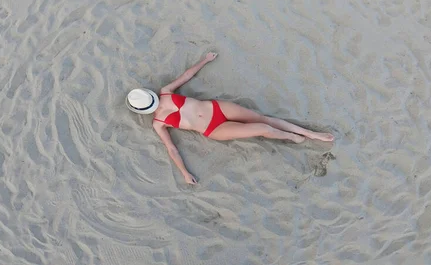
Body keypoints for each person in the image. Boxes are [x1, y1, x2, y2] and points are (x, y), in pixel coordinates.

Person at [126, 52, 334, 184]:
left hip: (218, 108)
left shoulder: (166, 91)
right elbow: (172, 149)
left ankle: (310, 133)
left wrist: (204, 60)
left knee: (263, 118)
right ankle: (291, 137)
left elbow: (187, 76)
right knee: (263, 128)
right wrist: (184, 173)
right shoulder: (158, 124)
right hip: (214, 130)